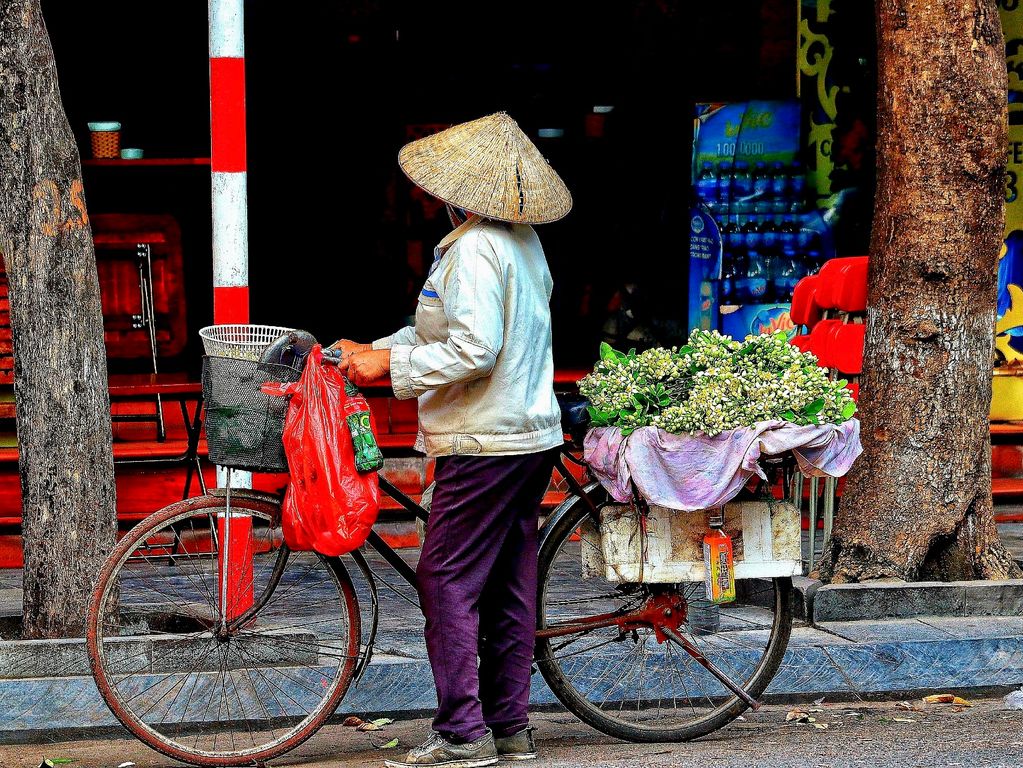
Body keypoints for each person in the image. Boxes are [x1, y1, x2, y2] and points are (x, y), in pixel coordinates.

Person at [335, 112, 573, 768]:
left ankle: (463, 733)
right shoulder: (519, 240)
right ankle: (510, 730)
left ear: (458, 194)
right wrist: (372, 351)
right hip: (526, 436)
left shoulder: (472, 249)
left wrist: (393, 369)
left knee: (443, 578)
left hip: (483, 440)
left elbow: (473, 348)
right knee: (506, 585)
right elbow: (440, 332)